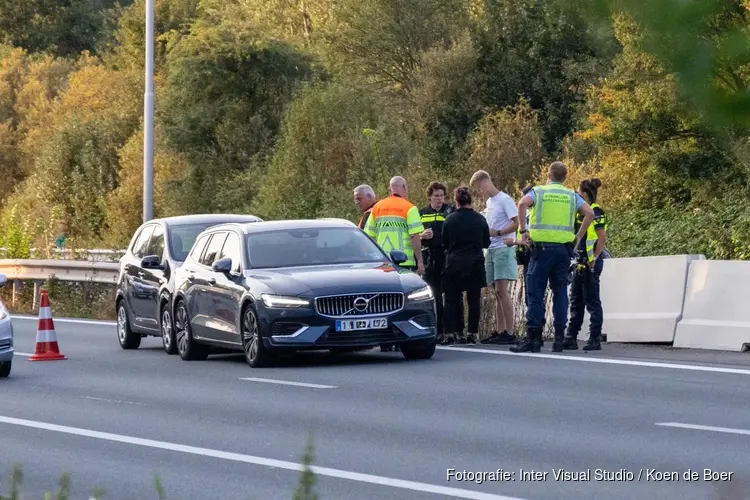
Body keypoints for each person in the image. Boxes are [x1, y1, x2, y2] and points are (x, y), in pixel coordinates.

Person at [511, 161, 594, 353]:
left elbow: (522, 203)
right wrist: (578, 237)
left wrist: (523, 231)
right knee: (560, 293)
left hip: (541, 250)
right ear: (565, 178)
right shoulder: (571, 195)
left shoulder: (539, 192)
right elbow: (589, 213)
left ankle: (534, 337)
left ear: (548, 175)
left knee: (535, 293)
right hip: (564, 251)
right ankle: (558, 338)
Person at [363, 176, 425, 352]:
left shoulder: (377, 208)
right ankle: (402, 337)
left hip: (381, 265)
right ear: (404, 187)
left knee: (381, 302)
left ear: (391, 189)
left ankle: (385, 340)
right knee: (402, 303)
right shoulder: (409, 208)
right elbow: (414, 236)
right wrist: (420, 260)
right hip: (404, 263)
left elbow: (369, 238)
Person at [469, 170, 519, 345]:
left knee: (501, 290)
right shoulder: (490, 202)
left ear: (484, 182)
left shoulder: (504, 200)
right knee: (496, 291)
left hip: (503, 248)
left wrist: (498, 232)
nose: (480, 192)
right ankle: (500, 329)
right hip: (491, 248)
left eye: (479, 187)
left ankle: (511, 330)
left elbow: (516, 221)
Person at [441, 186, 491, 344]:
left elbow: (445, 243)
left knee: (451, 299)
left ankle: (451, 332)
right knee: (474, 299)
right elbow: (486, 242)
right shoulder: (480, 219)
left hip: (454, 262)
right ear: (471, 200)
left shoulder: (449, 219)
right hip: (475, 262)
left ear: (456, 201)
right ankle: (472, 333)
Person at [563, 178, 608, 351]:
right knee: (576, 300)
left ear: (585, 194)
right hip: (578, 261)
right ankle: (571, 336)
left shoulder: (596, 211)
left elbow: (602, 238)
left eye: (579, 192)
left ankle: (595, 337)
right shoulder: (579, 213)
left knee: (592, 301)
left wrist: (594, 258)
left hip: (591, 262)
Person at [419, 181, 461, 343]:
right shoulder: (421, 213)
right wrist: (422, 235)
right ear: (430, 196)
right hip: (430, 257)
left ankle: (455, 330)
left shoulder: (450, 210)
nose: (439, 199)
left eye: (442, 196)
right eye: (436, 196)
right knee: (434, 295)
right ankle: (437, 330)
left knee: (452, 295)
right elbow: (414, 236)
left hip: (448, 256)